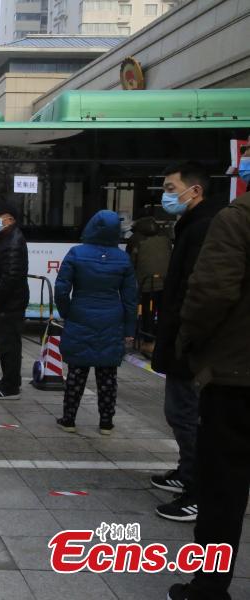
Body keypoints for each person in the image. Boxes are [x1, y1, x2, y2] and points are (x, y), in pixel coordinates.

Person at [167, 149, 250, 600]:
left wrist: (190, 344)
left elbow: (209, 293)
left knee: (223, 488)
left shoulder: (236, 219)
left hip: (236, 375)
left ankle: (209, 587)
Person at [150, 162, 224, 523]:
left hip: (190, 343)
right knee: (179, 412)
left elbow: (200, 291)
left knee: (186, 414)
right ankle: (186, 472)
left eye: (170, 188)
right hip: (182, 338)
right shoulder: (192, 225)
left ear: (194, 191)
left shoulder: (206, 228)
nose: (166, 196)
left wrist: (185, 338)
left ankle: (198, 490)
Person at [54, 210, 138, 435]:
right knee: (108, 374)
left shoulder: (76, 253)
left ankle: (69, 420)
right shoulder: (123, 258)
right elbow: (130, 298)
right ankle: (106, 423)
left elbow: (61, 289)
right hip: (111, 319)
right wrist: (129, 328)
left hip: (80, 315)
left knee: (76, 371)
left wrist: (67, 312)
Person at [0, 204, 28, 400]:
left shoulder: (13, 242)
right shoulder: (6, 238)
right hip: (8, 302)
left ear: (10, 220)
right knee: (6, 344)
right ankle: (10, 379)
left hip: (10, 302)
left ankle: (10, 388)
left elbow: (11, 276)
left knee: (9, 345)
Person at [127, 212, 171, 354]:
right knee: (163, 311)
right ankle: (162, 340)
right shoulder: (165, 237)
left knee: (147, 312)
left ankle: (147, 341)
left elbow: (130, 263)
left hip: (146, 284)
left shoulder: (135, 239)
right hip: (166, 282)